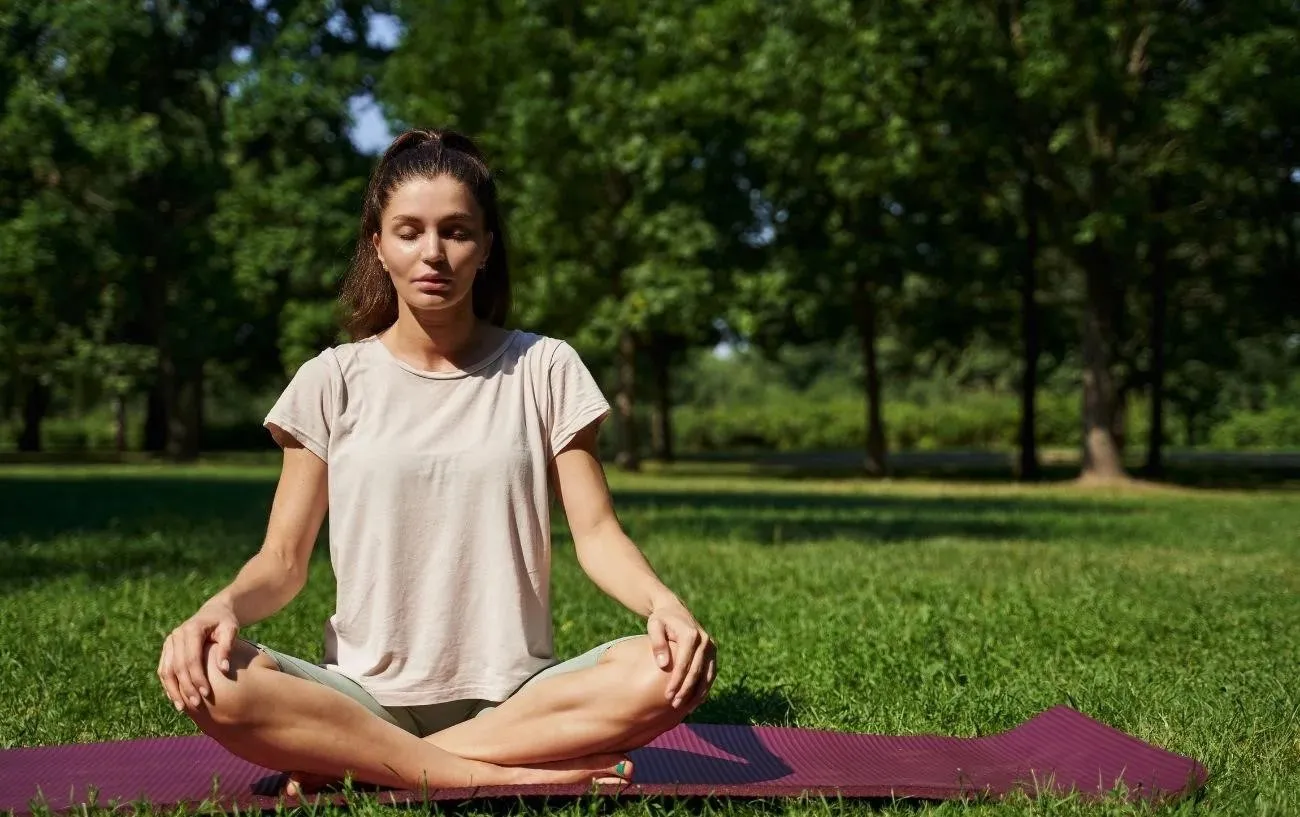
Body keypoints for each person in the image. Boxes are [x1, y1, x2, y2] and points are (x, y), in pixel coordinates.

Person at [155, 128, 717, 796]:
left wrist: (665, 605)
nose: (433, 253)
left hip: (520, 703)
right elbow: (282, 559)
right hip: (360, 695)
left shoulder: (545, 368)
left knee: (668, 667)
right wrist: (218, 608)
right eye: (409, 230)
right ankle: (502, 776)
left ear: (485, 248)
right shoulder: (330, 380)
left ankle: (368, 764)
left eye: (456, 231)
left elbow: (596, 535)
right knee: (212, 674)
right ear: (378, 245)